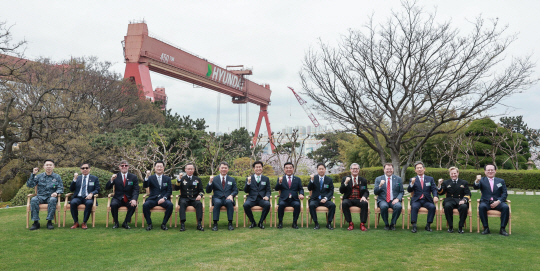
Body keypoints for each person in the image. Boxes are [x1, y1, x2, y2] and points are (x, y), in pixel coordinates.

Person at [26, 159, 64, 230]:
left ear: (53, 166)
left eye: (50, 165)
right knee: (33, 200)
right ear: (44, 167)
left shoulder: (57, 177)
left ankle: (49, 222)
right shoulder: (39, 176)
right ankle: (36, 222)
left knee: (53, 200)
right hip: (40, 197)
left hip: (51, 197)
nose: (48, 167)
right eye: (47, 165)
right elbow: (30, 185)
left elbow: (61, 188)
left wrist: (56, 192)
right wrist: (33, 174)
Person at [474, 164, 509, 236]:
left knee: (505, 207)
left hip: (498, 202)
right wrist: (477, 181)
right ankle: (486, 228)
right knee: (481, 207)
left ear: (495, 171)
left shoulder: (500, 181)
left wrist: (498, 201)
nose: (490, 171)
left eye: (492, 170)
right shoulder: (482, 180)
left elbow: (505, 193)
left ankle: (502, 229)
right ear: (485, 171)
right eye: (488, 170)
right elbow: (476, 187)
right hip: (486, 202)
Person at [105, 160, 139, 229]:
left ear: (128, 167)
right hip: (118, 198)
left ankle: (125, 223)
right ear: (119, 167)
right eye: (122, 165)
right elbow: (107, 187)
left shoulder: (133, 177)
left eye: (126, 165)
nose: (124, 167)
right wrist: (111, 179)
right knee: (113, 204)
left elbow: (136, 189)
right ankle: (116, 223)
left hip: (128, 198)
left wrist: (134, 199)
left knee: (133, 205)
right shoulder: (115, 176)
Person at [437, 167, 471, 234]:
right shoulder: (446, 182)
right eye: (451, 174)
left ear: (458, 173)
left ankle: (460, 227)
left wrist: (464, 200)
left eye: (455, 173)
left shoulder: (464, 182)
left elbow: (468, 193)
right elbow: (441, 193)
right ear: (450, 174)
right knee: (447, 206)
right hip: (450, 200)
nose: (453, 175)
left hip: (460, 200)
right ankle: (450, 227)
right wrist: (439, 185)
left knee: (464, 207)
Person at [407, 161, 438, 233]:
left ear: (424, 169)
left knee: (432, 207)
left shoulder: (430, 179)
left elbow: (434, 189)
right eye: (417, 168)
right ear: (415, 170)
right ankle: (414, 225)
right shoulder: (413, 179)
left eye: (421, 168)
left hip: (427, 200)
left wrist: (435, 196)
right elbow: (409, 190)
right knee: (414, 207)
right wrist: (412, 183)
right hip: (416, 200)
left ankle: (428, 225)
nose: (419, 169)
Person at [206, 162, 238, 231]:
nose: (224, 169)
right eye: (222, 168)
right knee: (217, 203)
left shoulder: (231, 179)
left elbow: (235, 190)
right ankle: (215, 224)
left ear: (228, 169)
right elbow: (208, 191)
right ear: (219, 169)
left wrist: (232, 195)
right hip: (217, 198)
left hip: (227, 198)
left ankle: (230, 223)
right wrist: (210, 182)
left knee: (229, 202)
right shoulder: (214, 179)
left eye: (225, 168)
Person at [143, 161, 173, 231]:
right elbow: (145, 185)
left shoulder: (167, 179)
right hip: (153, 198)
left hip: (163, 199)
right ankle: (149, 224)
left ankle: (164, 224)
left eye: (161, 166)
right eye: (157, 166)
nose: (159, 168)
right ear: (155, 168)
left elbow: (169, 191)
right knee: (145, 205)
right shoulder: (150, 178)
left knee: (170, 205)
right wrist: (147, 176)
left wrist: (164, 198)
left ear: (163, 168)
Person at [373, 163, 404, 231]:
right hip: (383, 200)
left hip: (394, 200)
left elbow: (401, 191)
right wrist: (380, 186)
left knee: (398, 206)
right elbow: (375, 192)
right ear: (384, 170)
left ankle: (392, 224)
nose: (389, 170)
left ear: (393, 169)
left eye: (390, 169)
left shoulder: (398, 179)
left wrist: (398, 199)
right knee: (384, 206)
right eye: (387, 169)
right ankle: (386, 224)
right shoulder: (378, 179)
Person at [69, 163, 100, 230]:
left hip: (88, 197)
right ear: (80, 170)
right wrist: (74, 179)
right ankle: (76, 222)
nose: (85, 169)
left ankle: (84, 222)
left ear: (89, 169)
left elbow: (97, 189)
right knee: (73, 202)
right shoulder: (78, 178)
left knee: (89, 203)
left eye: (86, 168)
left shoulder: (94, 178)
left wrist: (91, 194)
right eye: (83, 168)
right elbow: (71, 189)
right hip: (78, 197)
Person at [275, 162, 305, 229]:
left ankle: (294, 223)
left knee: (297, 205)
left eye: (290, 168)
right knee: (281, 205)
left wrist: (301, 194)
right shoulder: (281, 178)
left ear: (293, 169)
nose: (289, 169)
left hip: (294, 199)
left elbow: (301, 189)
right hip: (284, 199)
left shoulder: (297, 179)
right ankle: (280, 222)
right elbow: (276, 188)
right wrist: (279, 182)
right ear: (284, 169)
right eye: (287, 168)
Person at [175, 163, 204, 231]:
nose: (190, 170)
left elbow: (201, 190)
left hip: (194, 198)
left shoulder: (197, 179)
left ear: (194, 170)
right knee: (182, 204)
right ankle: (182, 224)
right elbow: (176, 188)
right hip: (184, 198)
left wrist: (200, 195)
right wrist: (179, 179)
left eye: (191, 169)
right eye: (188, 169)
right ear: (185, 170)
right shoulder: (182, 178)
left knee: (199, 204)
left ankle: (199, 224)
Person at [340, 163, 370, 231]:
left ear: (359, 170)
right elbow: (341, 191)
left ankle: (362, 224)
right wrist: (345, 183)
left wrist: (364, 196)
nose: (355, 170)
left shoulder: (363, 180)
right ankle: (350, 223)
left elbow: (366, 191)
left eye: (356, 169)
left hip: (359, 199)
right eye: (353, 169)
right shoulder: (345, 178)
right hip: (348, 199)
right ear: (350, 170)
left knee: (365, 203)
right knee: (344, 203)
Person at [243, 161, 271, 229]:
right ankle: (253, 222)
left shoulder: (266, 179)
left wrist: (267, 196)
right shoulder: (249, 178)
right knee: (245, 205)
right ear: (254, 168)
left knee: (267, 204)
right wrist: (248, 183)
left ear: (262, 168)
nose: (258, 168)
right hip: (252, 198)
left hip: (262, 199)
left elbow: (268, 190)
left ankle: (260, 222)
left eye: (260, 167)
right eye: (256, 167)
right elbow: (246, 190)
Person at [308, 163, 336, 230]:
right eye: (319, 169)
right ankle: (316, 223)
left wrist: (326, 198)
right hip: (315, 199)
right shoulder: (313, 178)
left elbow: (331, 191)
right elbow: (309, 188)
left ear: (325, 169)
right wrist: (311, 180)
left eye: (322, 169)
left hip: (325, 200)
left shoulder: (329, 180)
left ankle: (329, 223)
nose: (321, 170)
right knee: (311, 205)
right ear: (317, 170)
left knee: (332, 205)